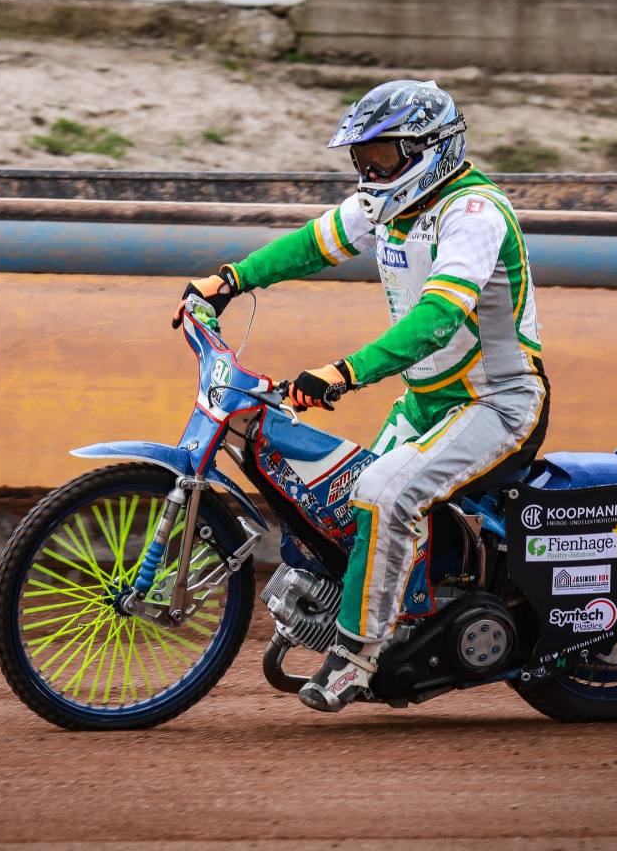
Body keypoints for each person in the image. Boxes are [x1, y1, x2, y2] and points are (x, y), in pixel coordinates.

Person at [173, 80, 548, 713]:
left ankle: (356, 658)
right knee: (345, 508)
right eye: (362, 159)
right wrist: (231, 279)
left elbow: (437, 321)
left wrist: (344, 372)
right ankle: (396, 619)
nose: (370, 173)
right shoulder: (389, 203)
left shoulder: (473, 214)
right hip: (427, 404)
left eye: (381, 157)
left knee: (382, 494)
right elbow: (312, 245)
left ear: (430, 149)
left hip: (499, 404)